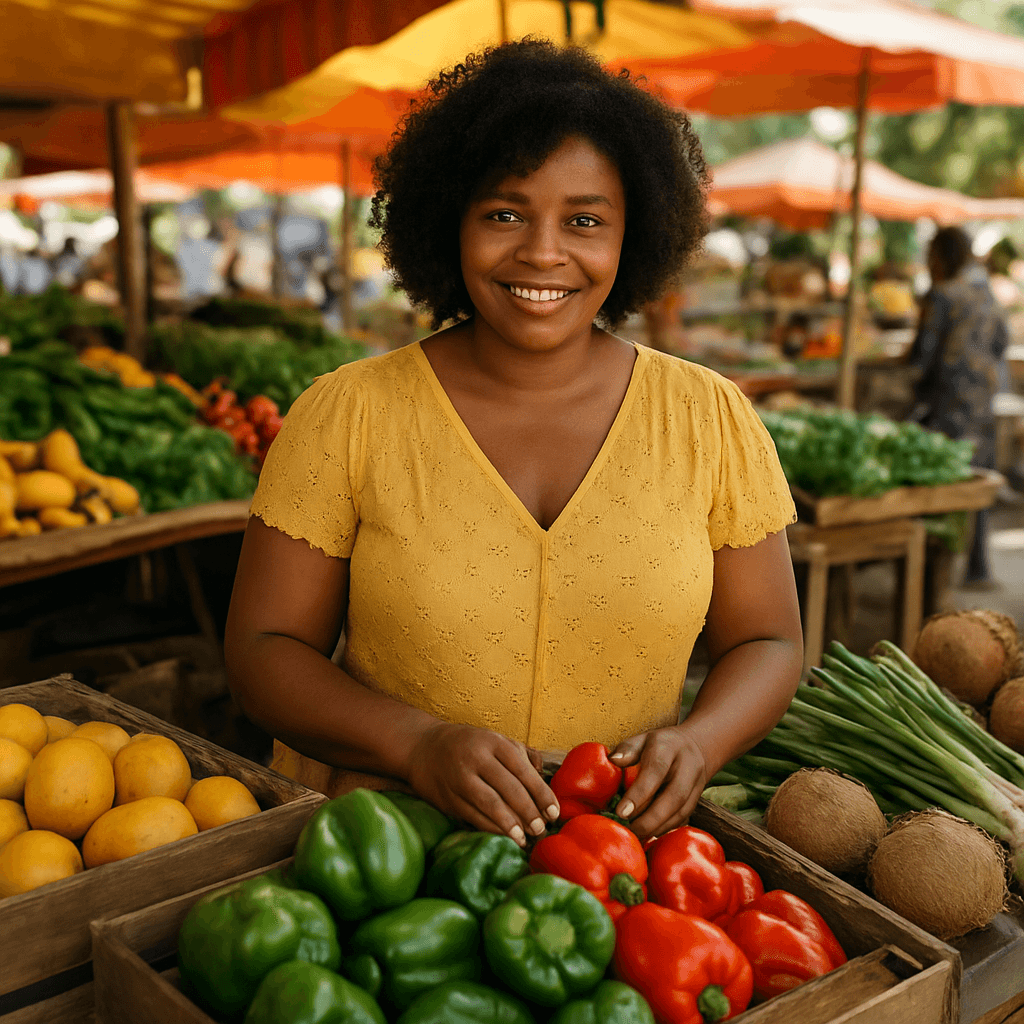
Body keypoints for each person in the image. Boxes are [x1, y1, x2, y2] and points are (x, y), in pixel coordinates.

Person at [224, 40, 803, 847]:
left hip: (620, 867)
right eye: (504, 213)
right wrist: (415, 743)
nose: (541, 252)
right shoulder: (347, 413)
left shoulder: (710, 419)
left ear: (633, 234)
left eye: (585, 220)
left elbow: (769, 639)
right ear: (448, 219)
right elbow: (263, 650)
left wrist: (701, 741)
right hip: (376, 859)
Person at [907, 227, 1010, 588]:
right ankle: (978, 567)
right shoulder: (986, 295)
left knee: (940, 484)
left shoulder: (941, 295)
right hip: (983, 401)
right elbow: (1001, 344)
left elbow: (922, 358)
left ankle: (931, 574)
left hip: (947, 402)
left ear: (940, 256)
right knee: (979, 480)